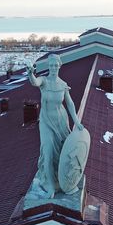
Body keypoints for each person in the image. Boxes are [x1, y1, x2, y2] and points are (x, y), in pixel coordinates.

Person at [27, 54, 83, 199]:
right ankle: (51, 186)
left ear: (59, 66)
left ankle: (61, 180)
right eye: (50, 65)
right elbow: (35, 82)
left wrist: (76, 121)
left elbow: (70, 104)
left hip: (61, 121)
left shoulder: (63, 84)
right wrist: (30, 73)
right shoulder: (44, 81)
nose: (53, 68)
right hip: (46, 121)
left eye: (55, 65)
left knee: (62, 152)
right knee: (48, 152)